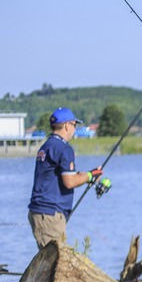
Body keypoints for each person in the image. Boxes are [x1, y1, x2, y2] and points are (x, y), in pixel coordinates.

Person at [27, 107, 102, 249]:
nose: (74, 129)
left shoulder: (47, 146)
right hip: (50, 215)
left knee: (53, 262)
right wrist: (90, 176)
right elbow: (69, 182)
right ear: (67, 125)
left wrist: (88, 175)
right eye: (75, 125)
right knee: (57, 265)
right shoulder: (64, 148)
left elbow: (61, 175)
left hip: (41, 212)